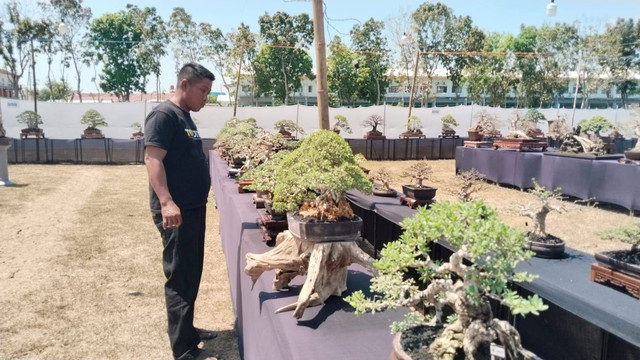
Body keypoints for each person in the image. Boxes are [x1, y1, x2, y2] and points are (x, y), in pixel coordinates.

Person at [144, 63, 217, 360]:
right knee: (180, 277)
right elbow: (153, 160)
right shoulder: (164, 115)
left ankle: (187, 330)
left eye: (209, 92)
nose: (206, 97)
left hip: (192, 209)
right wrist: (166, 202)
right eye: (203, 91)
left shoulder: (184, 116)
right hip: (176, 212)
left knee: (191, 272)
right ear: (184, 85)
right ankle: (184, 350)